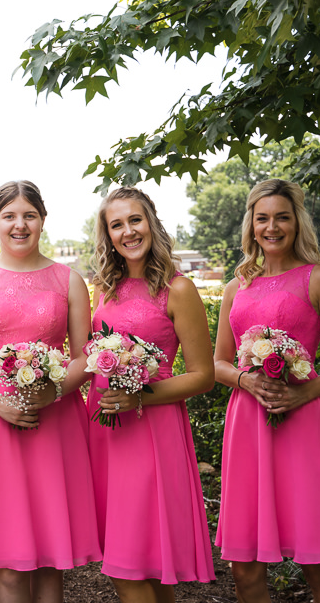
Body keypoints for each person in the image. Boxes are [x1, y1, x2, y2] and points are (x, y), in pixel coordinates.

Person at [213, 179, 320, 603]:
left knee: (317, 565)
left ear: (296, 222)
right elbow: (218, 364)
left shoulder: (319, 279)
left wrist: (306, 392)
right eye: (262, 218)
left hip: (303, 424)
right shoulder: (235, 287)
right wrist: (246, 379)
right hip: (247, 426)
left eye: (282, 217)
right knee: (244, 571)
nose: (272, 227)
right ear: (251, 225)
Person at [0, 180, 101, 603]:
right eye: (9, 216)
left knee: (51, 563)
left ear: (42, 221)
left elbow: (85, 357)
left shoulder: (68, 280)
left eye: (29, 215)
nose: (20, 225)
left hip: (55, 424)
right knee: (10, 563)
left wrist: (53, 392)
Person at [87, 187, 216, 601]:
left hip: (152, 428)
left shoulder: (178, 289)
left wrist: (140, 396)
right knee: (139, 559)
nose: (128, 231)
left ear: (152, 223)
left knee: (133, 566)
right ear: (107, 235)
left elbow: (203, 376)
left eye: (135, 220)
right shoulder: (103, 288)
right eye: (117, 225)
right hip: (107, 428)